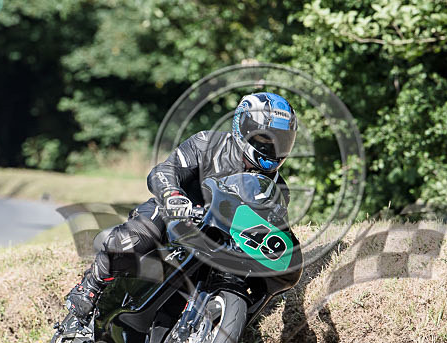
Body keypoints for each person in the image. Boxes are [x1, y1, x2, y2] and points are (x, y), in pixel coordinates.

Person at [64, 92, 298, 320]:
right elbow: (164, 171)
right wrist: (173, 196)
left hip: (222, 241)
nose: (273, 148)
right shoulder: (207, 144)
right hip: (176, 215)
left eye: (281, 140)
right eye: (266, 139)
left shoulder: (277, 189)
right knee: (132, 241)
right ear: (243, 128)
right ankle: (90, 287)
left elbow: (272, 230)